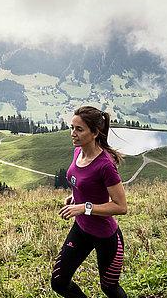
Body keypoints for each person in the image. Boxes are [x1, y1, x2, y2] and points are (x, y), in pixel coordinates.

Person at [51, 106, 129, 298]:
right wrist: (74, 196)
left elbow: (121, 207)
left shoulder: (105, 165)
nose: (73, 134)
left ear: (95, 133)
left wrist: (83, 207)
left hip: (105, 235)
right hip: (81, 229)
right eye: (72, 127)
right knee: (59, 282)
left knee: (109, 288)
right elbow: (80, 180)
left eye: (79, 129)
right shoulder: (78, 152)